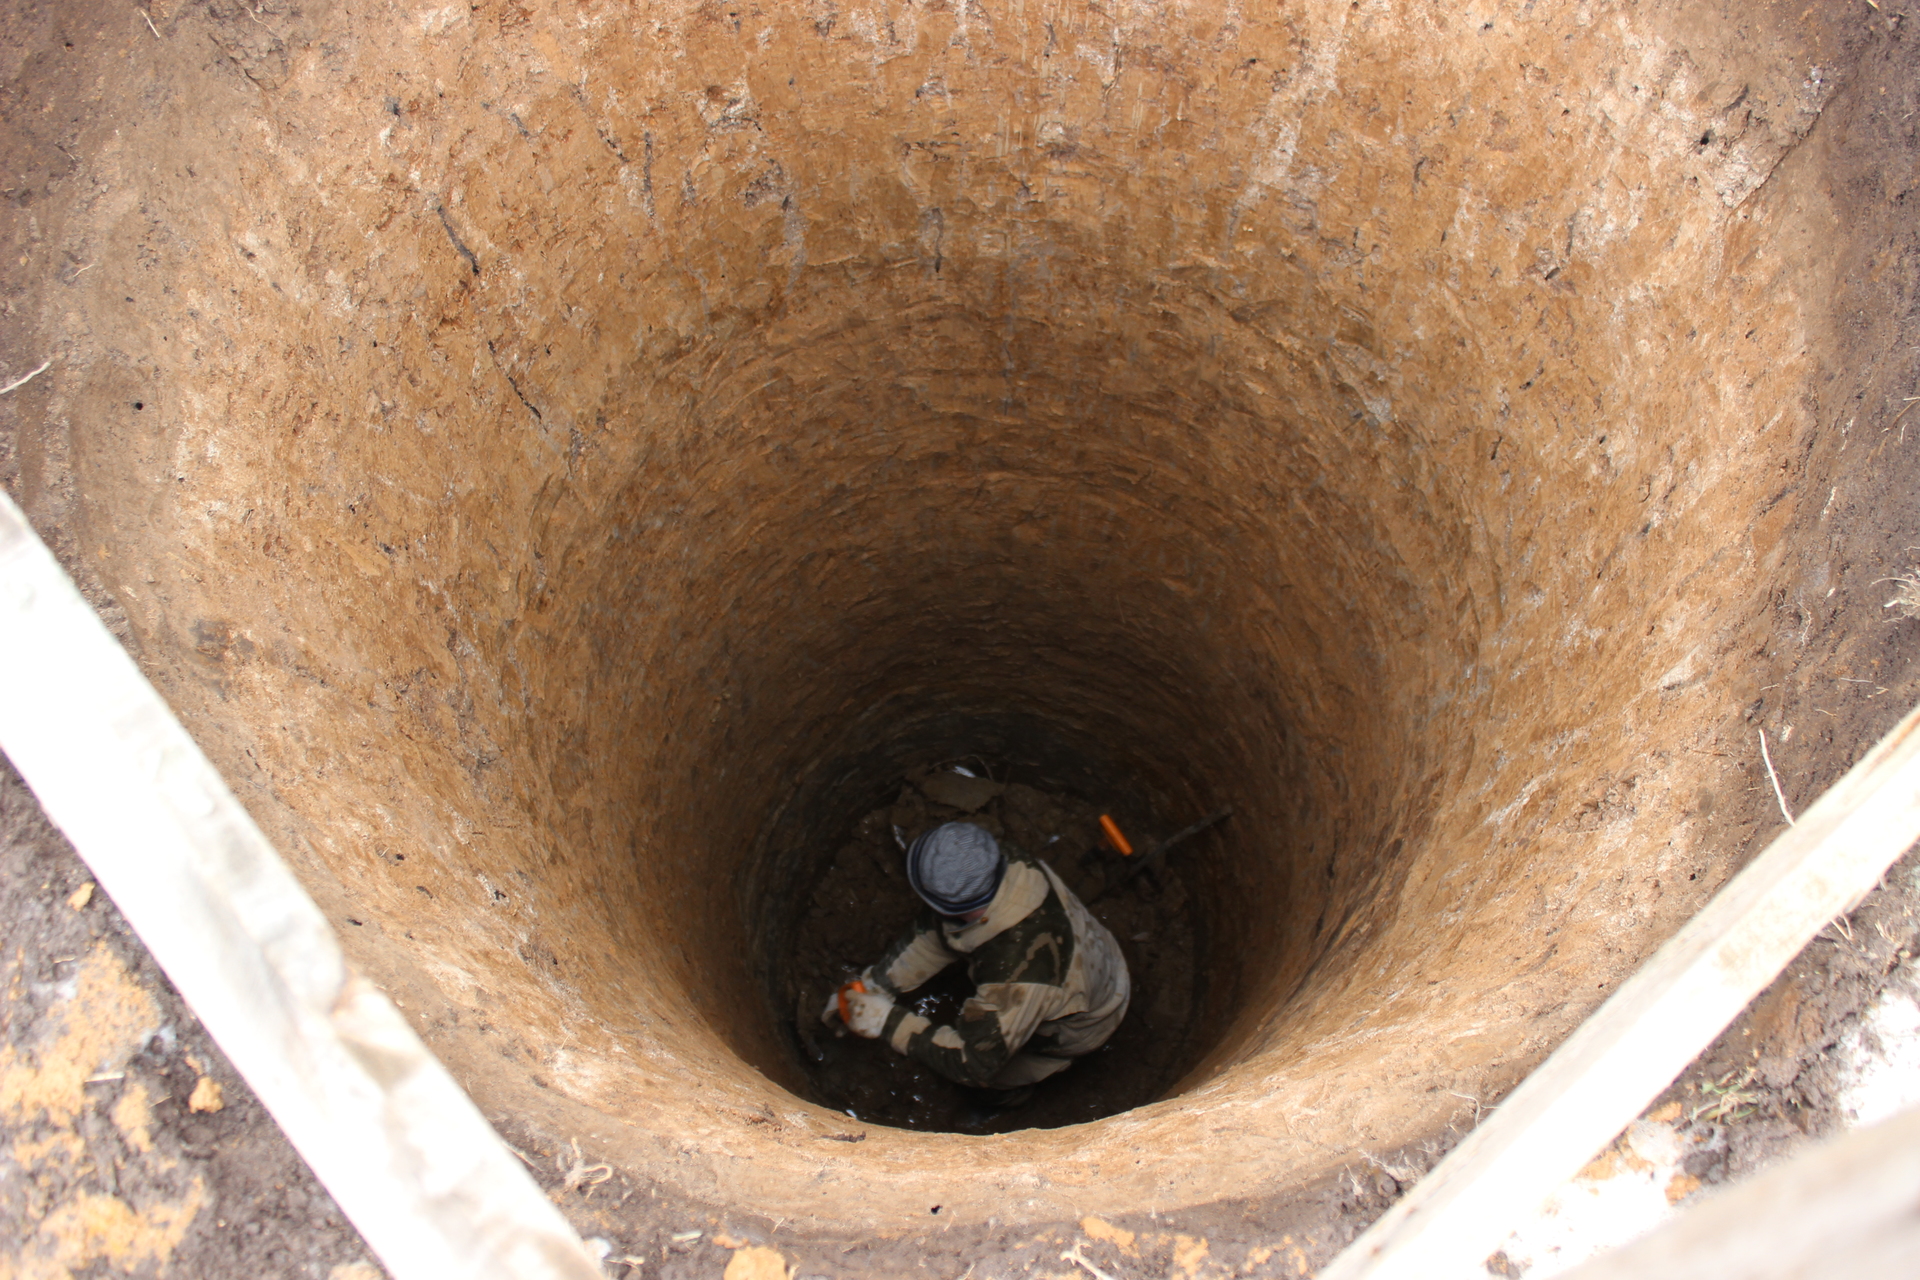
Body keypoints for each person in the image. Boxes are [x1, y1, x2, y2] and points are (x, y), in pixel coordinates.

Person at [822, 821, 1130, 1099]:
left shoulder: (1019, 976)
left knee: (993, 1078)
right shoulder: (998, 860)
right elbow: (938, 932)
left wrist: (888, 1023)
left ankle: (1010, 1098)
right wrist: (875, 986)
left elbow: (974, 1064)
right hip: (1095, 955)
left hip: (1085, 1021)